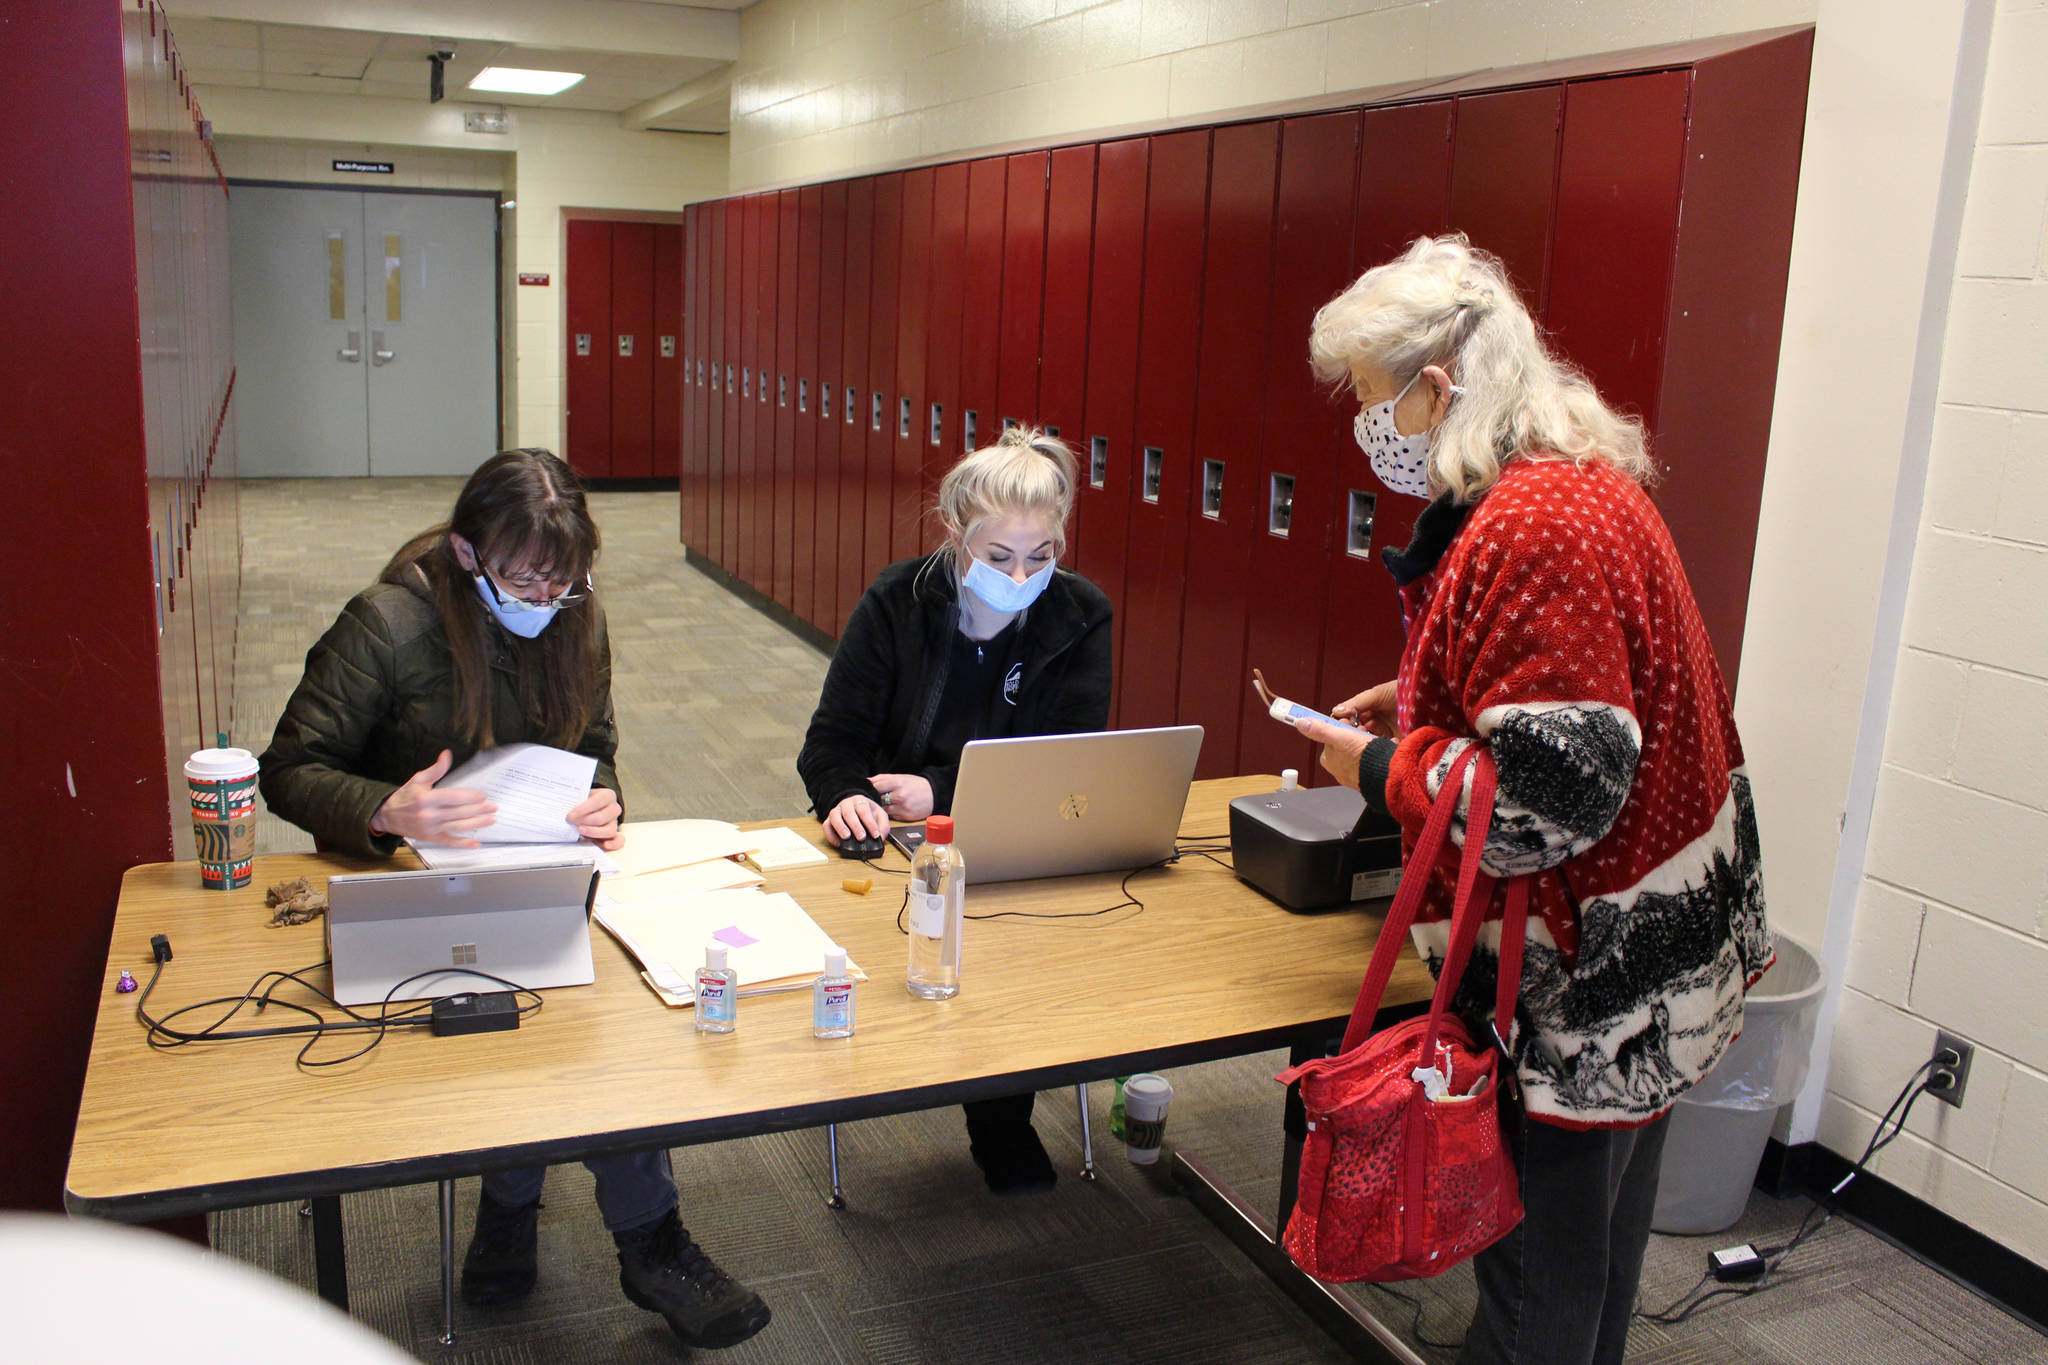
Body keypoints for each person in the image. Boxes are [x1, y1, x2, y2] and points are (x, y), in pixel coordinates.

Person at [1293, 236, 1770, 1365]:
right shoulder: (1575, 479)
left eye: (1372, 402)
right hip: (1659, 945)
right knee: (1594, 1251)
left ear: (1436, 388)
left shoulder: (1528, 523)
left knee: (1534, 1278)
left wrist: (1375, 766)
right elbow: (1565, 700)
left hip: (1588, 962)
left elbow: (1536, 809)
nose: (1370, 430)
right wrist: (1425, 701)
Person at [258, 449, 771, 1351]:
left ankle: (648, 1240)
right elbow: (289, 768)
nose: (546, 601)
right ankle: (510, 1200)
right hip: (409, 881)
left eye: (564, 583)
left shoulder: (577, 615)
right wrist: (383, 807)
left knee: (605, 1016)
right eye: (525, 579)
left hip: (537, 866)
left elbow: (599, 740)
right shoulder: (387, 624)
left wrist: (604, 797)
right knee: (501, 1010)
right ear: (466, 554)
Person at [796, 426, 1112, 1193]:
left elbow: (1063, 765)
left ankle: (1001, 1117)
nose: (1021, 575)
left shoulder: (1078, 614)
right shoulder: (898, 601)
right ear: (956, 535)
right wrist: (846, 798)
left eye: (1042, 556)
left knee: (1023, 944)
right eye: (999, 557)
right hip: (897, 844)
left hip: (1010, 840)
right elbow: (831, 745)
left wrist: (938, 787)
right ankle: (893, 1073)